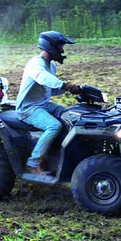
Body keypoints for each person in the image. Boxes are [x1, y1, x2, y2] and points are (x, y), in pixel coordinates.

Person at [15, 31, 80, 175]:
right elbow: (42, 78)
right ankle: (32, 164)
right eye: (60, 46)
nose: (62, 50)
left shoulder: (51, 66)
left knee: (69, 115)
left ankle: (57, 155)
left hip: (42, 105)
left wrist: (70, 90)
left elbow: (50, 89)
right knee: (54, 126)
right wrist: (65, 85)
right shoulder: (35, 63)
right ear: (51, 46)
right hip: (27, 108)